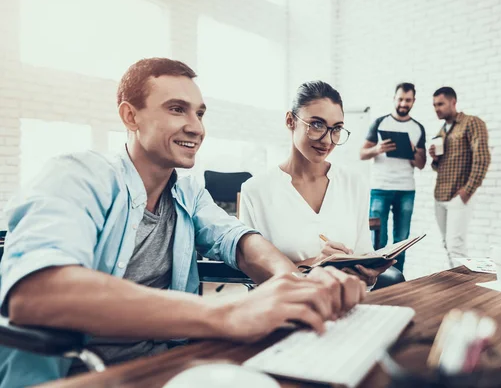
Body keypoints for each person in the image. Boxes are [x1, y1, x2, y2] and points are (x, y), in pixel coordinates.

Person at [0, 59, 365, 387]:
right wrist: (226, 313)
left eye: (200, 113)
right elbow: (36, 293)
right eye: (177, 109)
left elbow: (238, 240)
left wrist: (294, 284)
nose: (195, 127)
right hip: (84, 374)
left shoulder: (188, 191)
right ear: (131, 116)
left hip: (172, 367)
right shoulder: (77, 176)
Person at [239, 81, 403, 290]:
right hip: (288, 311)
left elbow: (363, 254)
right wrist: (315, 266)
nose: (327, 140)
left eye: (336, 129)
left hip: (349, 307)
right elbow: (253, 278)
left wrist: (368, 276)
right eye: (317, 124)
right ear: (290, 121)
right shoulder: (256, 191)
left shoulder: (354, 184)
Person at [359, 83, 426, 273]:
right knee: (379, 240)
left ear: (413, 101)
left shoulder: (418, 128)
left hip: (406, 189)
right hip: (380, 188)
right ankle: (377, 280)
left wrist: (412, 150)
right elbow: (362, 154)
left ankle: (397, 280)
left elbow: (421, 164)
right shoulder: (380, 123)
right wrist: (378, 149)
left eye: (408, 100)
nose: (404, 103)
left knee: (402, 240)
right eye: (401, 99)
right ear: (394, 99)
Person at [428, 87, 491, 268]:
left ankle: (463, 289)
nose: (436, 108)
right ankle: (455, 283)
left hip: (459, 195)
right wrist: (435, 159)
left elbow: (482, 158)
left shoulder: (472, 123)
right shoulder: (441, 131)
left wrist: (466, 192)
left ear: (453, 102)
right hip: (440, 196)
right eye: (434, 105)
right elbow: (439, 167)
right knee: (448, 245)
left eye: (441, 104)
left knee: (456, 246)